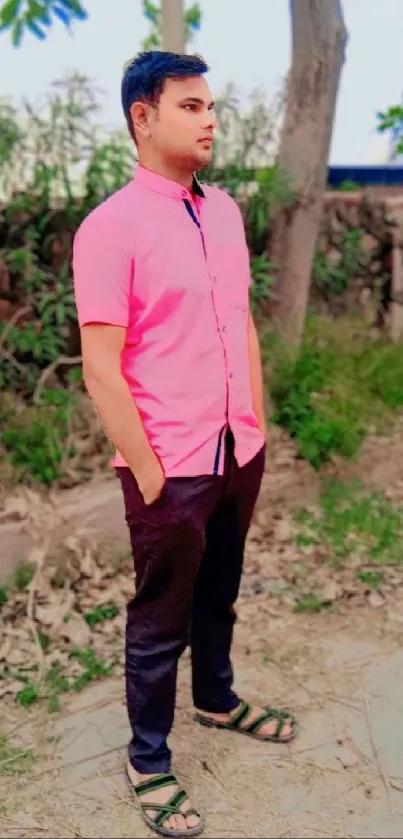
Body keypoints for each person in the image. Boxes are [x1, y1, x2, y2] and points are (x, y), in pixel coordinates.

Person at [72, 50, 297, 839]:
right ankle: (148, 758)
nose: (209, 121)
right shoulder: (110, 228)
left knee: (220, 591)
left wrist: (256, 422)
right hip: (168, 462)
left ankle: (216, 697)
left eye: (211, 107)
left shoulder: (225, 212)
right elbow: (102, 368)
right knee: (160, 616)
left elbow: (238, 318)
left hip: (237, 450)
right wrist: (148, 467)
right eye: (191, 106)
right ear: (144, 115)